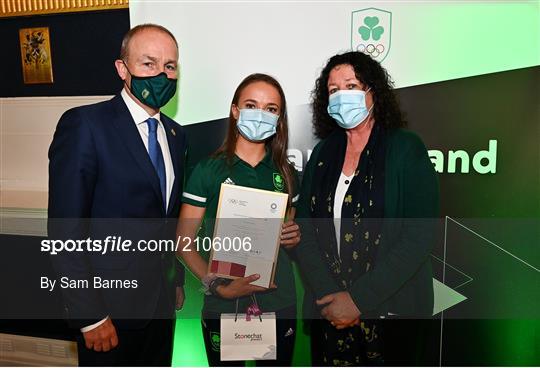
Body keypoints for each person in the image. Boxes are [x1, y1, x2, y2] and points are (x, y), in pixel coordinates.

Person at [48, 24, 186, 366]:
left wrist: (176, 280)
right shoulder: (85, 125)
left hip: (161, 307)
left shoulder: (176, 134)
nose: (161, 75)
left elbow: (166, 219)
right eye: (148, 64)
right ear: (122, 69)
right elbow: (65, 231)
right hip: (107, 312)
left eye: (170, 66)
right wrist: (89, 315)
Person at [295, 51, 440, 366]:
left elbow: (419, 236)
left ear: (374, 91)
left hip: (393, 312)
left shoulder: (405, 148)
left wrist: (358, 300)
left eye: (352, 85)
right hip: (329, 312)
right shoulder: (322, 153)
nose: (342, 96)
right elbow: (304, 230)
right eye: (333, 90)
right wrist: (331, 298)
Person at [176, 73, 301, 366]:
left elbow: (290, 238)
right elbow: (182, 242)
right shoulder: (208, 170)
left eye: (271, 109)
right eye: (251, 105)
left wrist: (294, 237)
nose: (260, 115)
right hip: (224, 303)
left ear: (279, 117)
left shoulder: (287, 173)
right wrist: (218, 287)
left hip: (277, 302)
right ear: (235, 110)